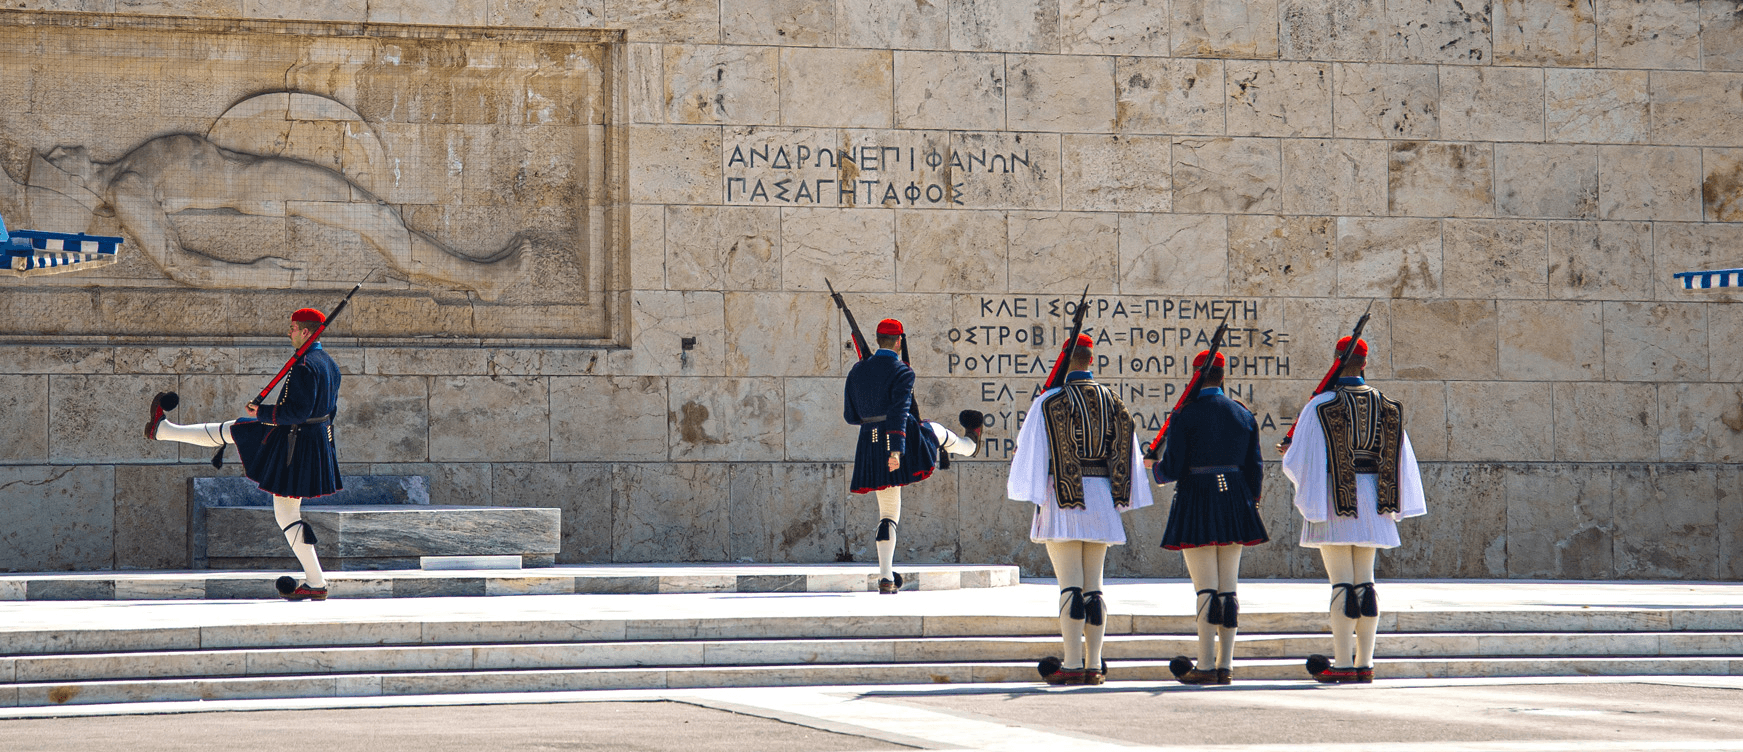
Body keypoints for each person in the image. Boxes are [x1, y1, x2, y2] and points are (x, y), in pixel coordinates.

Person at [147, 307, 343, 601]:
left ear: (306, 331)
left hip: (295, 444)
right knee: (236, 429)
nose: (288, 332)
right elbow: (330, 411)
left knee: (287, 513)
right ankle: (164, 430)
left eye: (292, 327)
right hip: (310, 441)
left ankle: (316, 582)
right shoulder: (329, 363)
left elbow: (297, 412)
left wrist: (262, 411)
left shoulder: (305, 366)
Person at [1007, 335, 1153, 686]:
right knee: (1095, 587)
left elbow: (1031, 454)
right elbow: (1128, 457)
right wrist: (1120, 496)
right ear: (1091, 359)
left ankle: (1072, 664)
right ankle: (1095, 664)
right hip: (1102, 498)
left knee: (1070, 586)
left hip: (1063, 496)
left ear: (1065, 361)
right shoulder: (1114, 401)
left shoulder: (1050, 401)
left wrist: (1031, 494)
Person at [1281, 336, 1426, 683]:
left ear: (1335, 361)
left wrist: (1289, 450)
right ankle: (1366, 663)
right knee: (1366, 583)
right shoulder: (1388, 406)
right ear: (1364, 364)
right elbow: (1403, 460)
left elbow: (1298, 460)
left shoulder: (1320, 405)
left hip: (1335, 499)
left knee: (1341, 585)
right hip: (1375, 502)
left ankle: (1344, 663)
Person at [1152, 350, 1269, 685]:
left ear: (1195, 375)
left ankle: (1205, 665)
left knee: (1206, 590)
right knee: (1228, 589)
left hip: (1197, 497)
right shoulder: (1242, 414)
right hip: (1235, 499)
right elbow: (1255, 467)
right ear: (1223, 376)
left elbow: (1172, 468)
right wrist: (1250, 502)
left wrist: (1155, 469)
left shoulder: (1185, 416)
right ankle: (1226, 665)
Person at [844, 318, 982, 594]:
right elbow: (898, 410)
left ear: (877, 338)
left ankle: (886, 577)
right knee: (935, 431)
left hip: (869, 443)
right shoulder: (901, 370)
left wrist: (874, 422)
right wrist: (896, 448)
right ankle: (970, 444)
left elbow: (851, 416)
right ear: (898, 341)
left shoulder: (858, 370)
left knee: (887, 513)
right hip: (899, 439)